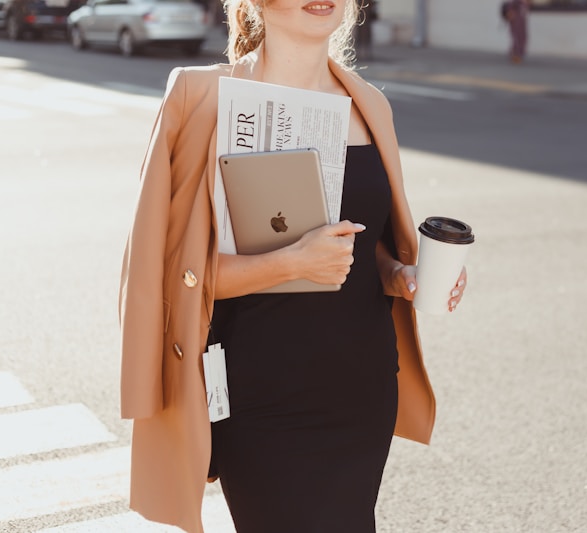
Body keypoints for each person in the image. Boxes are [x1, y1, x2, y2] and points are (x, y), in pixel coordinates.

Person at [118, 1, 468, 532]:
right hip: (262, 395)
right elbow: (168, 277)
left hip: (361, 388)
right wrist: (288, 264)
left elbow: (365, 239)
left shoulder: (368, 103)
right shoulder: (199, 97)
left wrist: (400, 275)